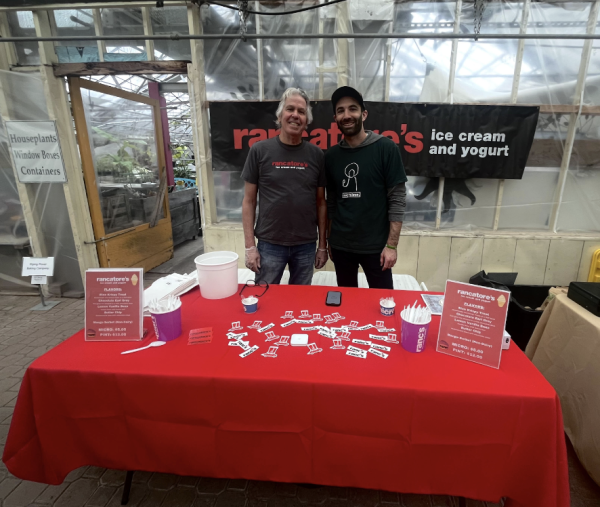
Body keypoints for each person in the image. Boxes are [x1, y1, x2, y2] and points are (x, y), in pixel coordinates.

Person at [241, 88, 328, 285]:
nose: (295, 115)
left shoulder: (317, 155)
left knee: (299, 303)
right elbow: (248, 201)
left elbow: (321, 202)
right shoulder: (259, 151)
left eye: (301, 111)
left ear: (307, 120)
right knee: (266, 299)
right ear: (280, 115)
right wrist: (249, 247)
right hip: (269, 244)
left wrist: (322, 245)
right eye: (290, 109)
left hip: (305, 245)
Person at [325, 86, 407, 289]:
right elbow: (332, 202)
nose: (347, 115)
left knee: (382, 303)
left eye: (352, 109)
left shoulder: (386, 148)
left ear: (364, 114)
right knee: (346, 303)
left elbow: (397, 199)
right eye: (340, 110)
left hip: (377, 248)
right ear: (335, 117)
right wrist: (329, 240)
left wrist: (391, 246)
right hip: (341, 246)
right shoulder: (331, 156)